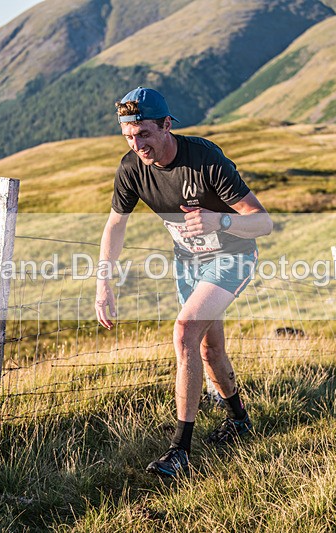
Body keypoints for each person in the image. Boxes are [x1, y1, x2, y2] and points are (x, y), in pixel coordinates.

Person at [95, 87, 273, 477]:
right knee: (209, 350)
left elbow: (263, 222)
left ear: (166, 125)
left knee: (184, 332)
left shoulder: (205, 159)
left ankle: (180, 451)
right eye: (129, 136)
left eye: (144, 133)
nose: (137, 144)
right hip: (188, 264)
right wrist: (103, 281)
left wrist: (220, 220)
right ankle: (241, 421)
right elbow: (115, 224)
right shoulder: (131, 169)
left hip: (232, 256)